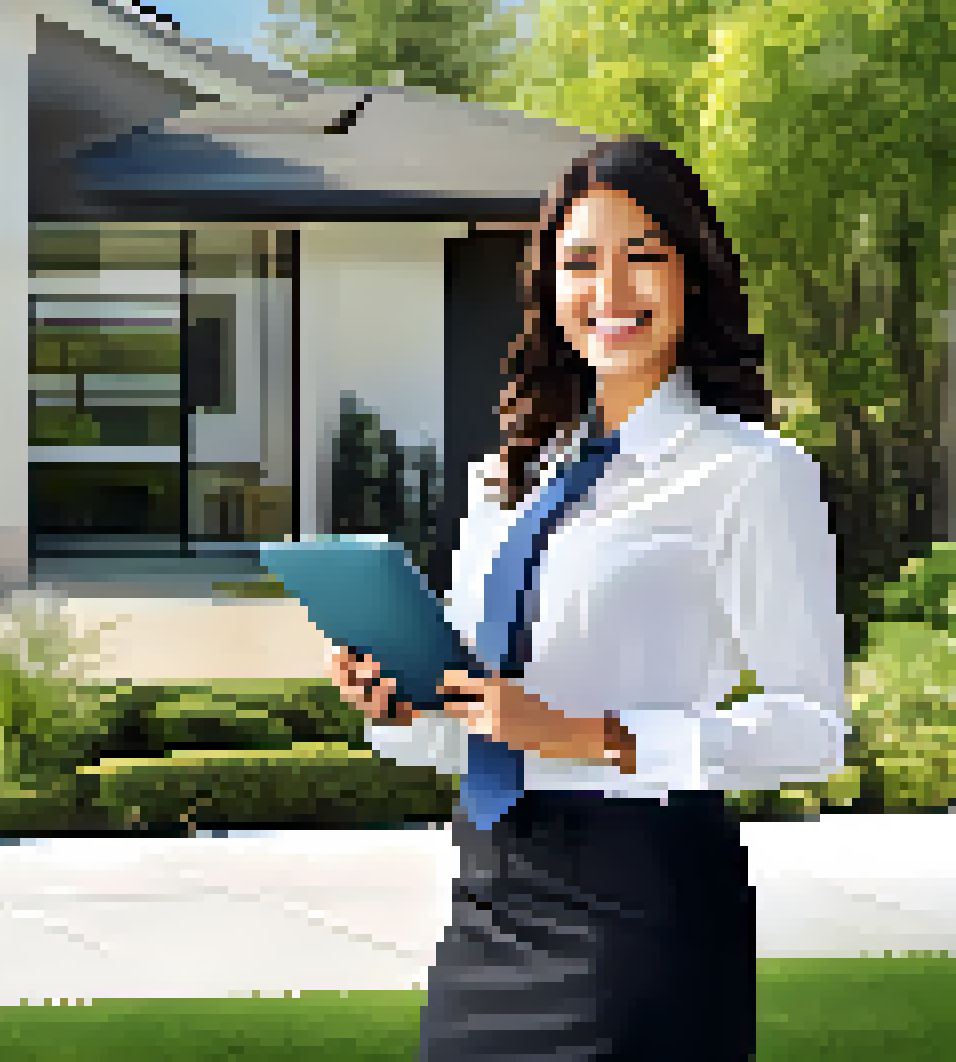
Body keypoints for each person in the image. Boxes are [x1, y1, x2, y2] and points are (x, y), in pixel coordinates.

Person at [327, 136, 849, 1060]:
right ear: (548, 290)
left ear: (695, 275)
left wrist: (600, 736)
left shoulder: (752, 475)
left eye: (643, 254)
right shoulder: (509, 480)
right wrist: (400, 709)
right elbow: (475, 722)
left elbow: (811, 727)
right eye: (581, 262)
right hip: (490, 896)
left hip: (644, 908)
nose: (610, 291)